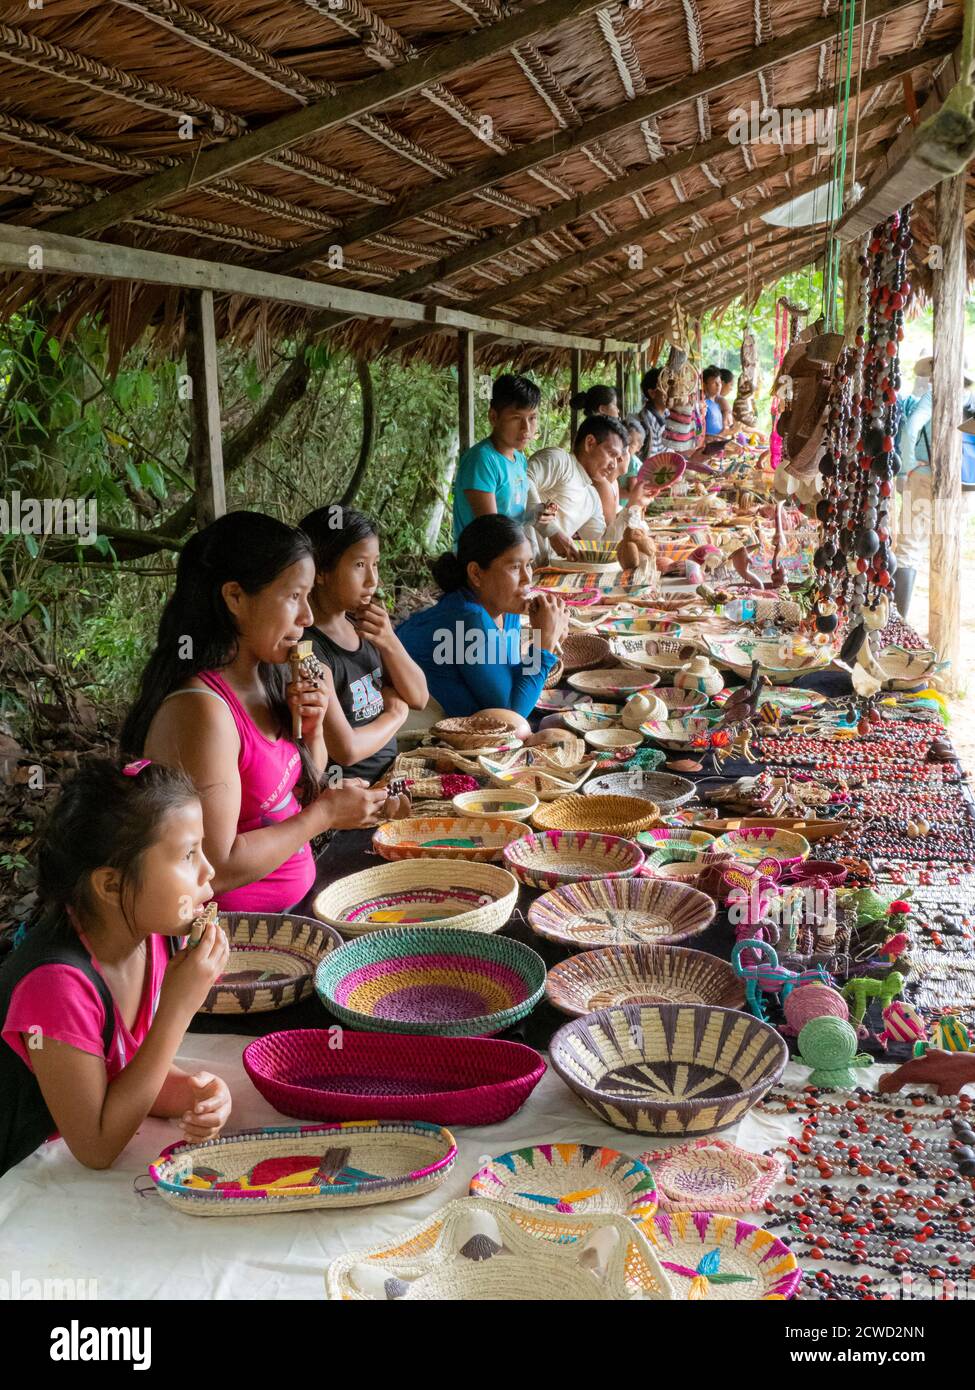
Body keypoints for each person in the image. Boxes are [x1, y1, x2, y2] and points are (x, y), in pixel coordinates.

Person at [120, 512, 393, 916]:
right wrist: (326, 815)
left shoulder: (268, 674)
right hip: (236, 937)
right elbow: (217, 866)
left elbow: (294, 793)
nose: (308, 618)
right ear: (235, 597)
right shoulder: (202, 710)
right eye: (293, 596)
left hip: (296, 901)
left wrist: (313, 732)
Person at [0, 759, 231, 1177]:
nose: (209, 870)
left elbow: (121, 1073)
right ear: (111, 885)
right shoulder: (55, 987)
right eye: (188, 854)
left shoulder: (155, 935)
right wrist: (176, 1011)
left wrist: (195, 1093)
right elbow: (96, 1146)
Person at [298, 506, 428, 784]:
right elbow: (346, 750)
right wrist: (395, 714)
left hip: (395, 772)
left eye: (375, 564)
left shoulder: (364, 626)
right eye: (359, 565)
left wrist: (389, 641)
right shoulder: (308, 649)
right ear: (320, 571)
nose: (372, 580)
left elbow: (418, 697)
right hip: (355, 790)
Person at [396, 515, 568, 719]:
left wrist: (549, 634)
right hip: (417, 729)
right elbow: (511, 716)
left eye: (528, 564)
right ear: (476, 573)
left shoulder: (506, 610)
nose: (527, 578)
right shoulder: (467, 619)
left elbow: (512, 683)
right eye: (514, 567)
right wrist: (544, 644)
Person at [451, 374, 542, 545]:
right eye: (516, 418)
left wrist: (536, 514)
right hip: (482, 561)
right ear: (494, 417)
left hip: (508, 556)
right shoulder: (482, 459)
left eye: (532, 418)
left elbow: (512, 519)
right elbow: (492, 529)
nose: (526, 428)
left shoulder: (519, 460)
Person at [636, 368, 667, 459]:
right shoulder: (647, 421)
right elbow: (654, 462)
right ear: (652, 393)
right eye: (666, 387)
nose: (672, 392)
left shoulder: (667, 414)